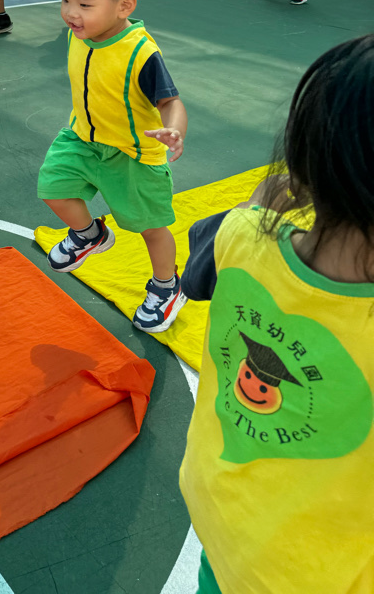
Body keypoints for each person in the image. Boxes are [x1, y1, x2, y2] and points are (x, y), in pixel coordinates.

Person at [179, 35, 374, 594]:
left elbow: (198, 271)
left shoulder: (239, 237)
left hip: (224, 523)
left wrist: (266, 201)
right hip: (313, 577)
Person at [37, 0, 189, 332]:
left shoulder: (140, 53)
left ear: (124, 6)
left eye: (85, 4)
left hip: (132, 155)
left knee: (151, 228)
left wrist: (174, 129)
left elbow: (171, 102)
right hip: (83, 139)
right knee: (53, 188)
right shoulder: (79, 35)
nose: (71, 13)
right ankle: (89, 234)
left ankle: (167, 286)